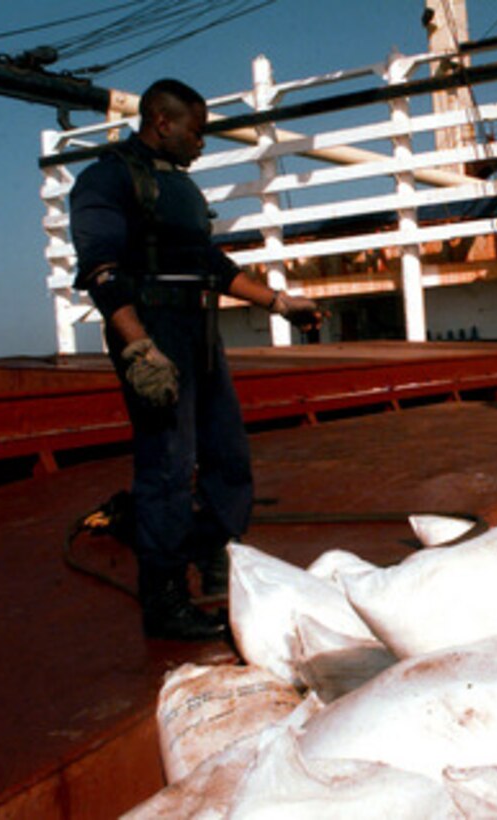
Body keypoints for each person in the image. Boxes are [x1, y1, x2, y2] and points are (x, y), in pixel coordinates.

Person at [70, 78, 321, 641]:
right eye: (197, 131)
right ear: (162, 121)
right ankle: (164, 599)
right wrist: (137, 346)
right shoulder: (108, 178)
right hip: (155, 331)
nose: (203, 143)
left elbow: (211, 264)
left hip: (200, 327)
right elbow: (101, 272)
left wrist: (281, 303)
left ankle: (215, 556)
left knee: (227, 452)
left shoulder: (180, 189)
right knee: (167, 465)